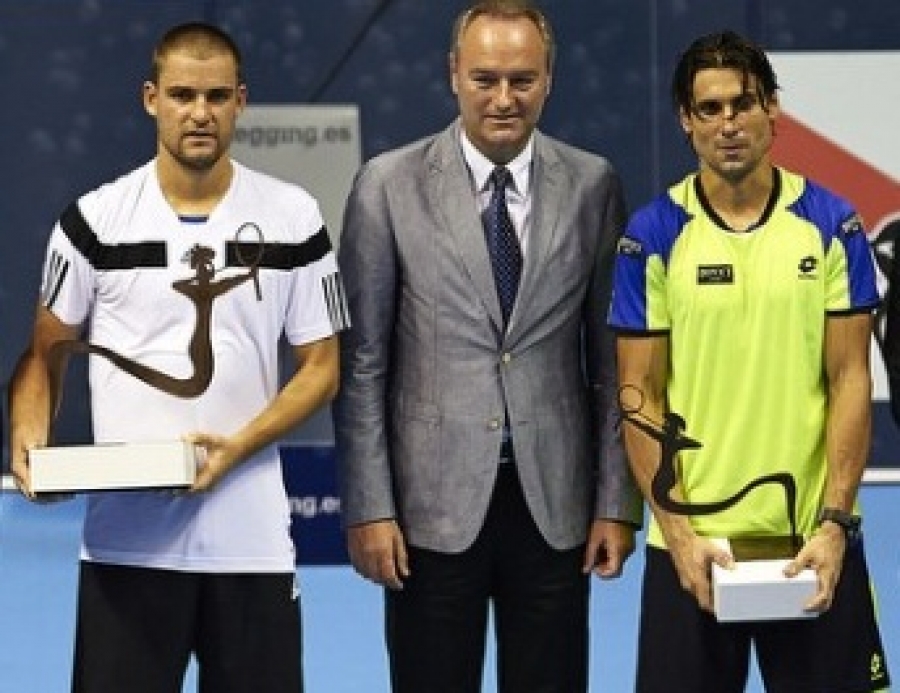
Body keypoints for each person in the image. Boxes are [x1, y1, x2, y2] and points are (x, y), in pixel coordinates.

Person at [9, 21, 347, 693]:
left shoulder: (295, 217)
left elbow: (322, 368)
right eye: (183, 94)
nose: (200, 112)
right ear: (150, 99)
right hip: (125, 549)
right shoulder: (93, 222)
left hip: (251, 549)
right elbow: (44, 354)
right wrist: (29, 442)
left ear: (241, 102)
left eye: (217, 96)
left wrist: (234, 448)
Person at [332, 1, 642, 691]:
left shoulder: (594, 184)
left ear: (550, 79)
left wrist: (615, 502)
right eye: (485, 78)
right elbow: (363, 365)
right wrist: (370, 504)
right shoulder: (387, 185)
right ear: (453, 74)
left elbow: (613, 363)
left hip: (554, 507)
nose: (504, 98)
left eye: (522, 79)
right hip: (426, 512)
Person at [609, 29, 892, 693]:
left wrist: (834, 524)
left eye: (744, 103)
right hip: (693, 547)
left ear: (772, 110)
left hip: (810, 542)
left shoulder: (832, 226)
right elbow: (637, 392)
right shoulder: (652, 237)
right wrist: (678, 533)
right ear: (686, 120)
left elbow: (850, 378)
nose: (728, 122)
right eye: (709, 108)